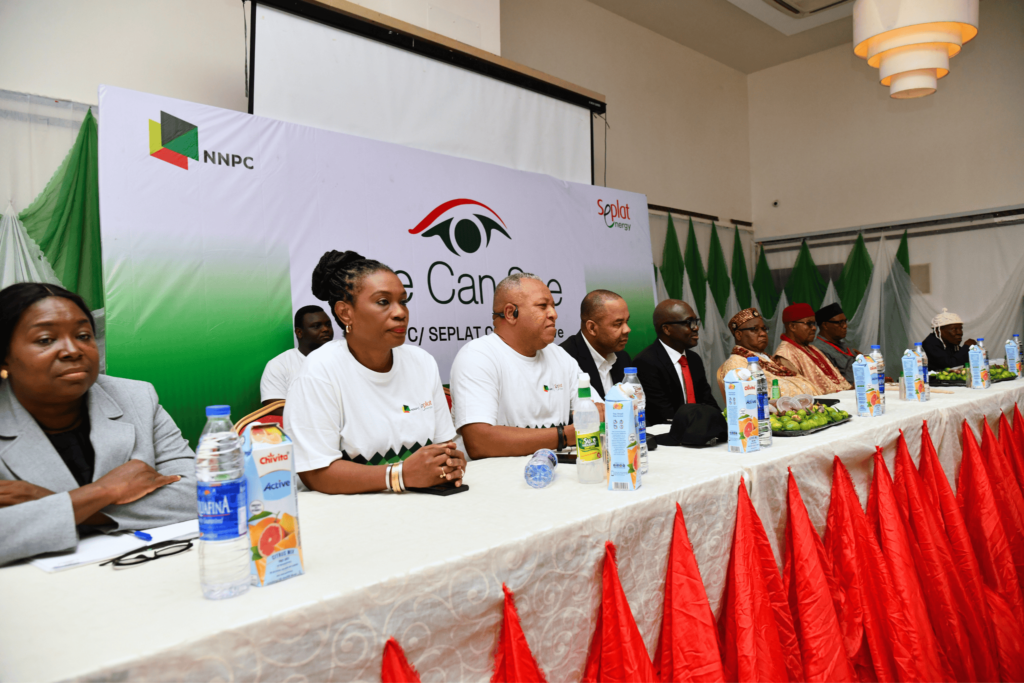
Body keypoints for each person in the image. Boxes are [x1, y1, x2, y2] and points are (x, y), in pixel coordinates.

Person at [0, 283, 196, 566]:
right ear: (4, 355)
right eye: (45, 340)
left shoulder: (136, 398)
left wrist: (58, 504)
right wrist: (103, 491)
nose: (72, 350)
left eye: (83, 336)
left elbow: (198, 494)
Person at [284, 250, 466, 494]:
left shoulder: (422, 362)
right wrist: (400, 475)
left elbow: (444, 446)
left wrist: (449, 465)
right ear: (345, 312)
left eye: (403, 301)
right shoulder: (319, 371)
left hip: (422, 508)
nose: (400, 312)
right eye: (383, 302)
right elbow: (315, 473)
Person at [449, 272, 594, 459]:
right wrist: (564, 435)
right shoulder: (477, 356)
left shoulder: (559, 355)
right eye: (543, 306)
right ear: (511, 313)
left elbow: (595, 412)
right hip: (498, 482)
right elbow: (480, 443)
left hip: (559, 473)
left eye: (553, 307)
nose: (554, 314)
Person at [634, 299, 719, 426]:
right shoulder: (646, 362)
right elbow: (663, 415)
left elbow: (707, 402)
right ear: (667, 329)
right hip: (667, 436)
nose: (695, 327)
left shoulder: (694, 359)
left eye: (696, 321)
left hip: (699, 432)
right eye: (689, 322)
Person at [717, 307, 818, 400]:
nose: (762, 333)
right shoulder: (736, 364)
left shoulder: (765, 357)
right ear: (739, 335)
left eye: (764, 329)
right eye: (754, 329)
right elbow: (753, 398)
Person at [560, 289, 631, 399]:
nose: (627, 329)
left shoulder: (623, 358)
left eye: (627, 321)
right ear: (592, 328)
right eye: (618, 324)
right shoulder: (565, 359)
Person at [260, 305, 334, 410]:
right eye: (317, 326)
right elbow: (275, 408)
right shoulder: (279, 365)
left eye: (328, 324)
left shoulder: (345, 359)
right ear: (299, 332)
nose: (326, 329)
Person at [772, 303, 851, 395]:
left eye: (814, 324)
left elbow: (837, 379)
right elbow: (797, 393)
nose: (814, 328)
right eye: (809, 324)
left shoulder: (811, 348)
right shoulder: (785, 354)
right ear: (792, 326)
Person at [811, 302, 860, 385]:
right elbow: (833, 384)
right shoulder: (818, 350)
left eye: (845, 321)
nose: (845, 326)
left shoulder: (843, 345)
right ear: (825, 325)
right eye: (840, 323)